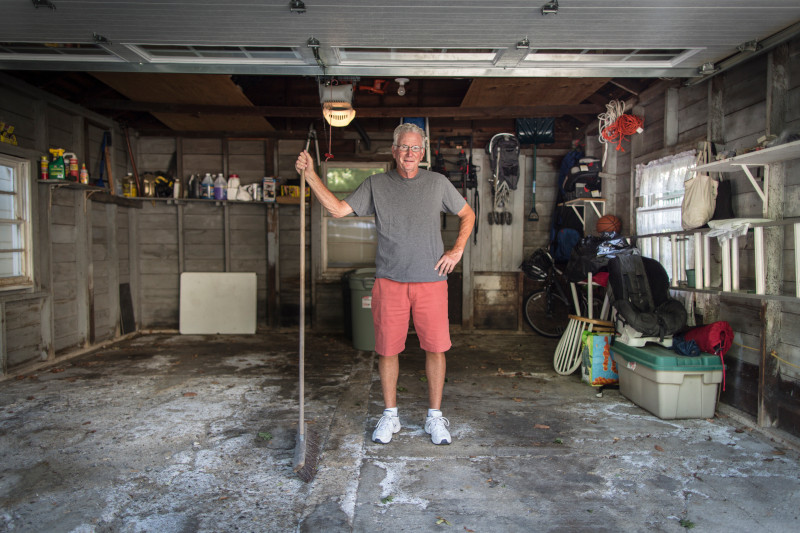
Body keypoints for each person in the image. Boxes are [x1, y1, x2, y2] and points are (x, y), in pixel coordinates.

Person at [295, 123, 475, 445]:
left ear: (423, 153)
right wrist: (310, 175)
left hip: (431, 281)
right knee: (387, 350)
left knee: (436, 348)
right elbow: (337, 210)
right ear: (394, 151)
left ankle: (434, 417)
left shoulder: (438, 183)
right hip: (389, 282)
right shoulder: (376, 184)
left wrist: (457, 249)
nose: (409, 154)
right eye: (404, 147)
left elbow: (468, 214)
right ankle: (390, 416)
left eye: (415, 148)